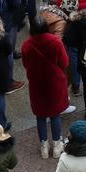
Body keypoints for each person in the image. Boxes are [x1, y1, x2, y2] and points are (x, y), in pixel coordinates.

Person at [22, 13, 71, 159]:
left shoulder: (27, 45)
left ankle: (44, 145)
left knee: (40, 115)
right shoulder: (55, 42)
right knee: (55, 114)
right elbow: (64, 63)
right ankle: (57, 145)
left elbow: (25, 64)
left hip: (37, 84)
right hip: (54, 83)